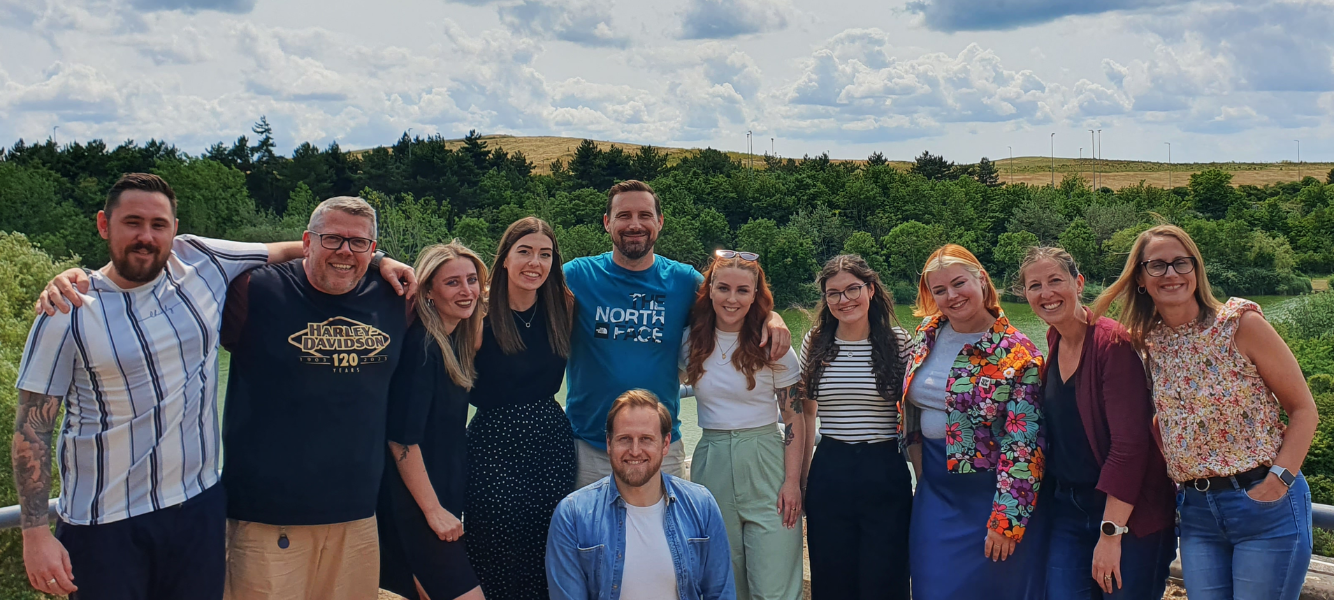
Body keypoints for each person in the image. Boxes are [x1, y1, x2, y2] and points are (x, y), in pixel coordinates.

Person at [11, 174, 398, 599]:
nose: (146, 236)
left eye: (158, 224)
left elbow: (294, 248)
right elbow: (32, 429)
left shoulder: (201, 260)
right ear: (104, 225)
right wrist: (35, 534)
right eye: (132, 223)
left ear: (174, 228)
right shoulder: (66, 308)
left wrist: (380, 261)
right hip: (103, 522)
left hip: (196, 511)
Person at [1093, 224, 1318, 600]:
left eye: (1182, 263)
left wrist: (1277, 481)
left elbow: (1303, 409)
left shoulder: (1241, 325)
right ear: (1141, 280)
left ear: (1196, 271)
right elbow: (1162, 416)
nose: (1172, 274)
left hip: (1262, 503)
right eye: (1158, 266)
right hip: (1197, 513)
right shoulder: (1149, 342)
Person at [219, 196, 412, 600]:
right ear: (307, 241)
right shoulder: (255, 290)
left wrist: (382, 263)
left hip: (358, 517)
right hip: (265, 519)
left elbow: (464, 303)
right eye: (332, 239)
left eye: (359, 243)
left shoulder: (394, 297)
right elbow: (170, 277)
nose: (345, 251)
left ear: (373, 250)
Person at [562, 179, 791, 488]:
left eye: (644, 215)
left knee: (665, 536)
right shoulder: (577, 275)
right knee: (590, 537)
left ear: (660, 222)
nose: (635, 224)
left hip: (661, 448)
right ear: (607, 222)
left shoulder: (683, 280)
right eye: (623, 215)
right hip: (588, 449)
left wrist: (772, 318)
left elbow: (731, 303)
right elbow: (522, 300)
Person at [1017, 246, 1177, 599]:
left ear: (1079, 282)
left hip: (1128, 517)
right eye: (1034, 286)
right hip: (1069, 510)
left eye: (1056, 280)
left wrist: (1111, 533)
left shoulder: (1113, 343)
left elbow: (1129, 446)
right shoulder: (1055, 339)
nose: (1046, 294)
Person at [902, 244, 1045, 600]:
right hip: (934, 494)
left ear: (981, 279)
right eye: (939, 290)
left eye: (958, 283)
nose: (951, 296)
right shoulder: (927, 333)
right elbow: (914, 411)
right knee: (931, 589)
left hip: (990, 499)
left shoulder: (1018, 353)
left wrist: (1006, 522)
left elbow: (1023, 445)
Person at [681, 249, 805, 600]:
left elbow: (794, 416)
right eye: (723, 288)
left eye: (742, 291)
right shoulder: (691, 342)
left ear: (756, 295)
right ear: (710, 290)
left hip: (765, 458)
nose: (731, 299)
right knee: (724, 581)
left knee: (775, 584)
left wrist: (793, 482)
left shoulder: (773, 344)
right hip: (712, 458)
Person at [466, 218, 577, 600]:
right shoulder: (476, 313)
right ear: (506, 259)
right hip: (491, 446)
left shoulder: (563, 307)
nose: (535, 263)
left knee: (549, 546)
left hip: (550, 442)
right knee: (493, 548)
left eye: (545, 254)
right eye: (525, 251)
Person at [798, 254, 914, 600]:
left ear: (871, 289)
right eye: (833, 293)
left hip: (884, 468)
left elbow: (914, 415)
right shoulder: (815, 342)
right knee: (831, 577)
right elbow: (805, 414)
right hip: (830, 467)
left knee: (886, 577)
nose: (843, 300)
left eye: (852, 289)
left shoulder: (899, 342)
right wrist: (801, 479)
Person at [545, 389, 735, 600]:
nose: (635, 451)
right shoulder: (572, 516)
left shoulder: (701, 505)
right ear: (609, 444)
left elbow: (721, 593)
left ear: (665, 444)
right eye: (625, 439)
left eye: (646, 439)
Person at [378, 242, 488, 600]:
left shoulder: (453, 341)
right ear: (427, 290)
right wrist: (433, 510)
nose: (467, 290)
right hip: (414, 506)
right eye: (452, 282)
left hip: (436, 497)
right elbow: (401, 440)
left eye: (472, 280)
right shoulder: (422, 348)